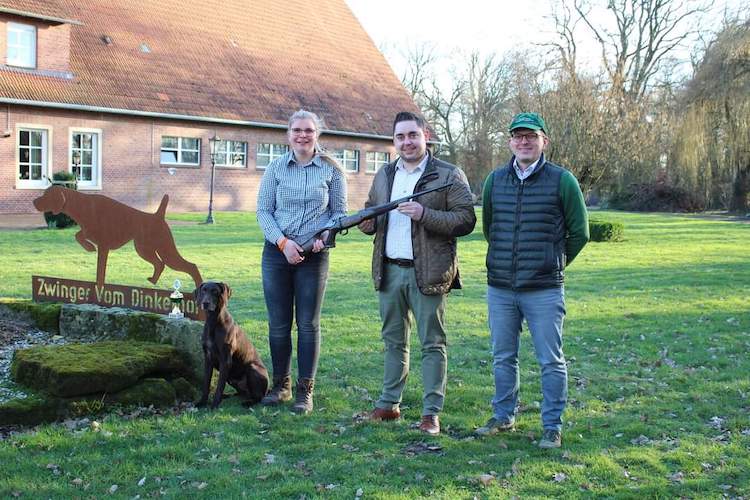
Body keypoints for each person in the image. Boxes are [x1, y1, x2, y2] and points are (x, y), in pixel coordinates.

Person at [475, 112, 589, 448]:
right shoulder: (495, 180)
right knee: (502, 356)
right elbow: (490, 229)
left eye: (531, 136)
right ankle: (503, 415)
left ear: (544, 141)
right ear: (510, 141)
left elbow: (579, 233)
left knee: (550, 360)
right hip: (501, 287)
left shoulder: (562, 180)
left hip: (544, 289)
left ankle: (552, 425)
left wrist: (554, 262)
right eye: (518, 136)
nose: (524, 142)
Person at [358, 111, 476, 436]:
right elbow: (372, 210)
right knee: (393, 341)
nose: (407, 142)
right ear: (393, 141)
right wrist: (368, 225)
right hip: (389, 270)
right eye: (400, 137)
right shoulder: (384, 174)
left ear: (425, 135)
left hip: (429, 272)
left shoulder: (449, 175)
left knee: (432, 343)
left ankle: (430, 413)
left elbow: (466, 219)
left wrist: (425, 214)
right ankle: (388, 404)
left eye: (412, 135)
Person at [256, 109, 347, 414]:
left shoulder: (331, 170)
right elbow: (263, 212)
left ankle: (304, 391)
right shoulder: (276, 169)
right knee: (279, 324)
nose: (302, 135)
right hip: (277, 254)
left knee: (307, 324)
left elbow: (339, 213)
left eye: (308, 130)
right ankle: (281, 386)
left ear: (317, 134)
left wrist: (326, 236)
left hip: (314, 256)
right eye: (297, 130)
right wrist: (283, 243)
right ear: (289, 134)